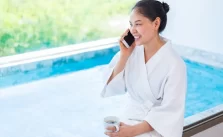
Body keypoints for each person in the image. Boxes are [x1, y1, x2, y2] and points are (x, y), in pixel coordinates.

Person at [101, 0, 187, 137]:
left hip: (155, 128)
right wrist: (124, 55)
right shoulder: (132, 52)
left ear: (156, 23)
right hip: (129, 118)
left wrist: (132, 131)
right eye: (131, 24)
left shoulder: (175, 64)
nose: (132, 30)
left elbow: (171, 111)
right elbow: (111, 86)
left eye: (138, 24)